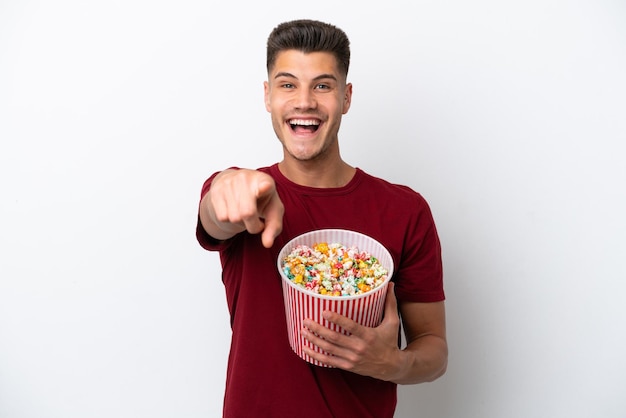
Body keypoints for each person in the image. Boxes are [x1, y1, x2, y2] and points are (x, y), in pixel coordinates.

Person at [196, 19, 447, 418]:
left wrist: (393, 363)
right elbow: (216, 214)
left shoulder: (405, 210)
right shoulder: (245, 195)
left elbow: (434, 349)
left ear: (346, 97)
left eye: (323, 86)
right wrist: (226, 185)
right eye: (288, 84)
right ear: (268, 96)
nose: (304, 102)